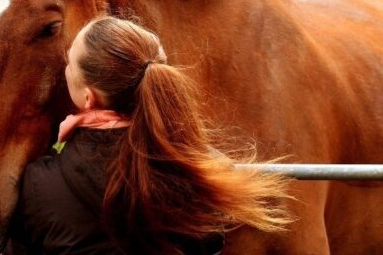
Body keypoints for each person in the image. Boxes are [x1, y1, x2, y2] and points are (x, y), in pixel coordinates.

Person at [17, 16, 291, 255]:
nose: (65, 68)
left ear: (88, 98)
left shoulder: (39, 185)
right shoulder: (205, 174)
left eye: (69, 63)